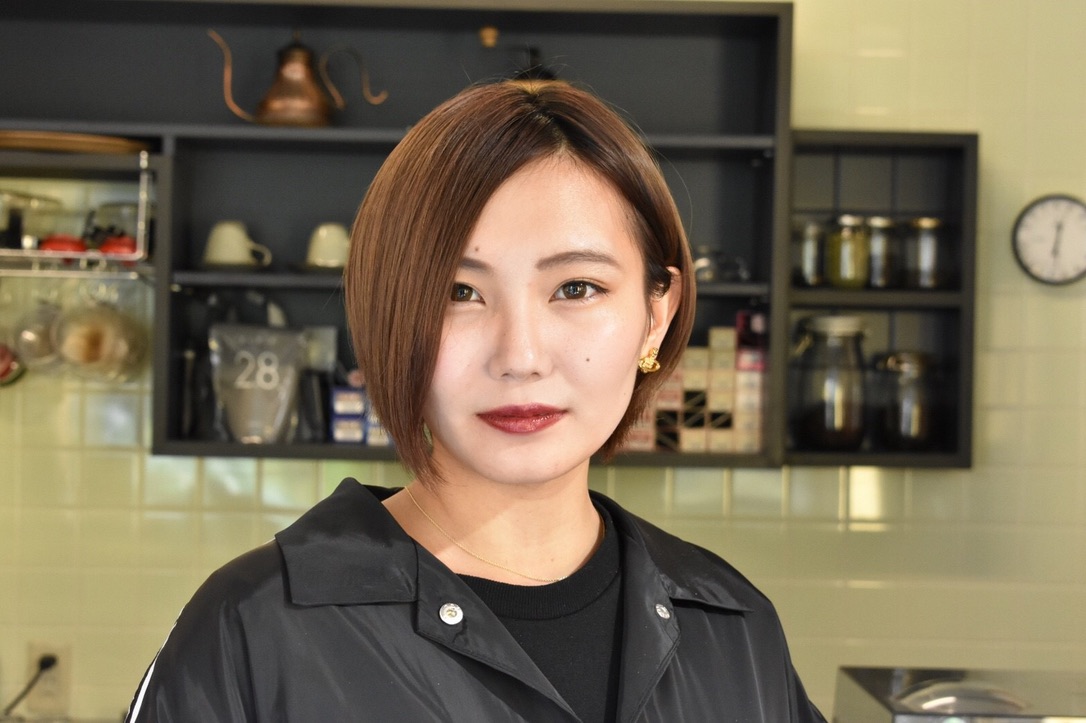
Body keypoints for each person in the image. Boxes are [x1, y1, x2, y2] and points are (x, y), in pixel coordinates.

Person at [125, 79, 825, 722]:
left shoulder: (733, 627)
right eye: (458, 292)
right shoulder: (251, 630)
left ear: (655, 317)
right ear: (390, 316)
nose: (520, 356)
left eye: (576, 288)